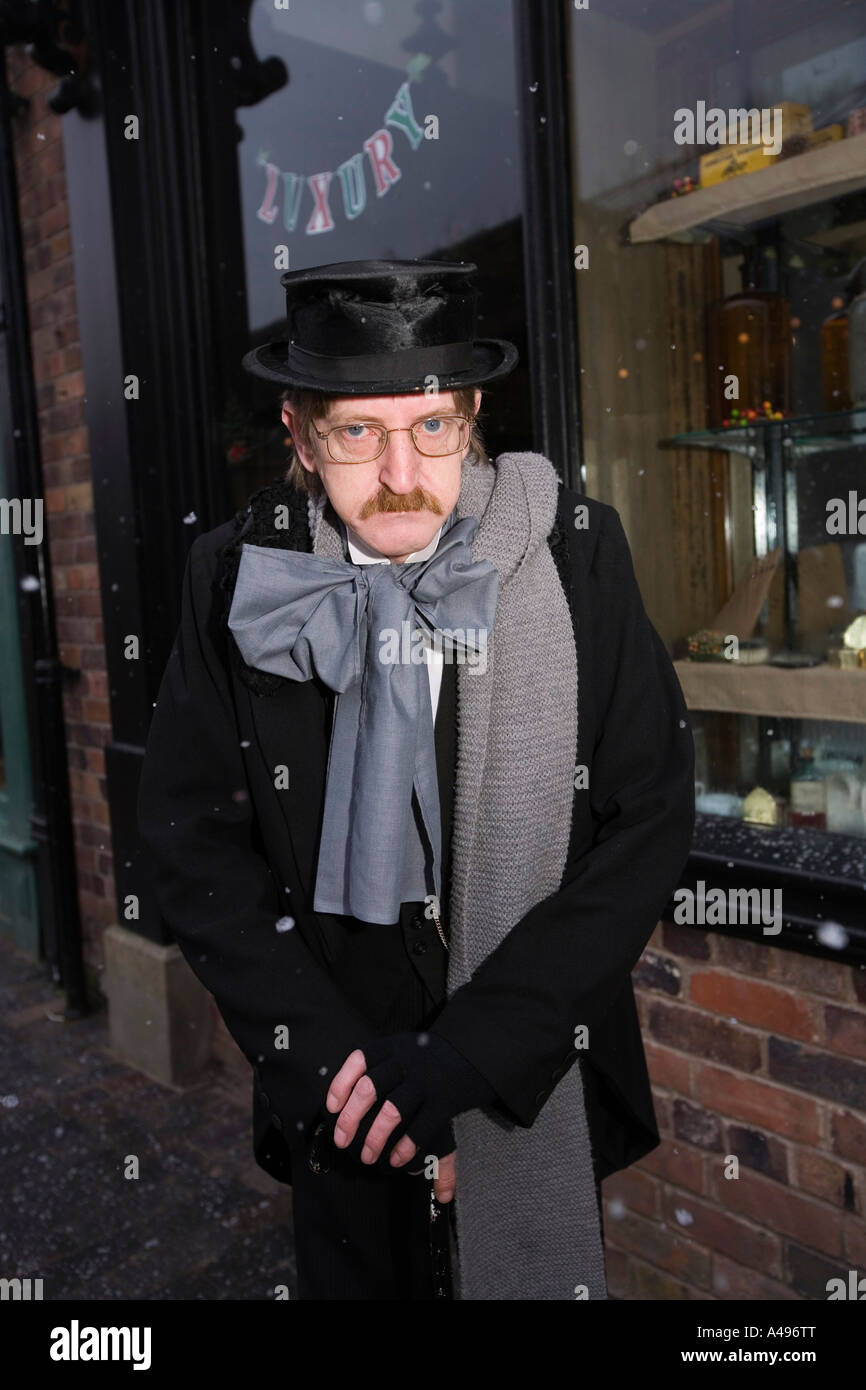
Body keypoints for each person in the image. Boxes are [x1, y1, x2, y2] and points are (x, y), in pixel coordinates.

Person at [136, 258, 695, 1301]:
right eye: (357, 431)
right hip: (338, 1095)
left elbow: (648, 818)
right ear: (300, 435)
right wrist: (341, 1076)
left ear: (473, 412)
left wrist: (470, 1057)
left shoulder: (575, 552)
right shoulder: (231, 576)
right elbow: (189, 837)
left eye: (431, 425)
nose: (401, 469)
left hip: (532, 1072)